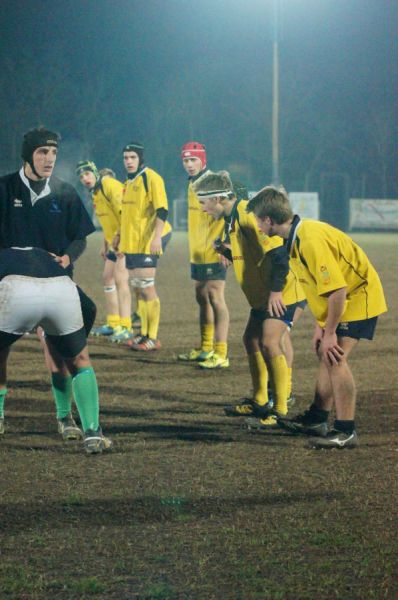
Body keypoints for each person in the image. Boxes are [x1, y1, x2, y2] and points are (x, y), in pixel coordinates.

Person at [246, 185, 388, 448]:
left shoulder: (308, 240)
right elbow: (320, 289)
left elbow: (337, 290)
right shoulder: (297, 236)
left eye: (257, 219)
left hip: (357, 298)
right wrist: (320, 327)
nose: (256, 224)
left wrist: (330, 332)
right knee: (328, 355)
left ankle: (346, 431)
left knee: (335, 359)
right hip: (346, 299)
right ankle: (316, 418)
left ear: (269, 220)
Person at [0, 126, 97, 440]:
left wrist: (69, 257)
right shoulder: (4, 188)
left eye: (54, 152)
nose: (50, 158)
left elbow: (79, 238)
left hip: (55, 286)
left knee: (60, 353)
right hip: (10, 286)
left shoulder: (64, 192)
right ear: (28, 154)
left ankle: (64, 417)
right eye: (43, 152)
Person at [192, 171, 306, 424]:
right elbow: (255, 257)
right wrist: (226, 251)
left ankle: (280, 411)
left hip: (283, 291)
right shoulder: (232, 218)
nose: (201, 209)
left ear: (219, 198)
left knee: (269, 342)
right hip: (265, 294)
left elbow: (279, 255)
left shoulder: (246, 216)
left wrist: (276, 291)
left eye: (203, 202)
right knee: (251, 340)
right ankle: (260, 401)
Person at [0, 247, 112, 454]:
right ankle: (93, 434)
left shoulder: (4, 256)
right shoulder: (46, 257)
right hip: (61, 291)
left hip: (16, 290)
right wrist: (76, 344)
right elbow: (89, 307)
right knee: (80, 364)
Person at [113, 141, 172, 351]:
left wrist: (156, 238)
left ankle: (152, 337)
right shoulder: (128, 183)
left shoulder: (151, 178)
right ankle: (143, 334)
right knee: (138, 287)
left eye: (132, 157)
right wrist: (119, 234)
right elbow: (126, 214)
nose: (128, 161)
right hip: (132, 241)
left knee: (146, 287)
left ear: (140, 159)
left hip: (148, 240)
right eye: (125, 158)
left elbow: (162, 210)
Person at [178, 142, 230, 369]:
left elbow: (233, 209)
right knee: (202, 297)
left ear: (203, 160)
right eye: (186, 160)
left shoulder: (215, 182)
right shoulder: (191, 184)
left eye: (193, 160)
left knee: (216, 298)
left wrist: (227, 244)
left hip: (215, 251)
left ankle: (221, 352)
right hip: (197, 252)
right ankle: (206, 347)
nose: (189, 165)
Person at [76, 160, 132, 340]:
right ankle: (113, 323)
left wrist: (121, 237)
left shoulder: (109, 184)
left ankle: (126, 327)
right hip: (114, 241)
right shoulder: (96, 192)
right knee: (107, 277)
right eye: (81, 176)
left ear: (95, 172)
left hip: (126, 239)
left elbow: (126, 213)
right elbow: (108, 220)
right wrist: (105, 243)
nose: (85, 178)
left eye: (87, 174)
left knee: (121, 280)